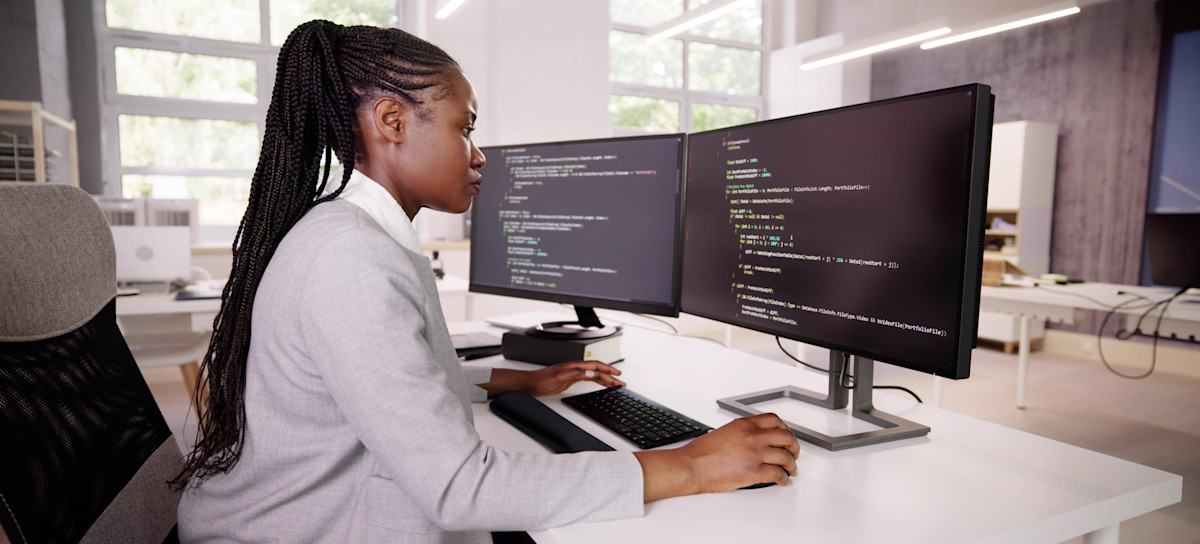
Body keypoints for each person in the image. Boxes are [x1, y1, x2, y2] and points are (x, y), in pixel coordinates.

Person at [174, 20, 800, 544]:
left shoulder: (346, 234)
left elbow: (375, 382)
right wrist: (689, 464)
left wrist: (509, 381)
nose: (479, 155)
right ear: (391, 120)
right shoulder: (349, 260)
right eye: (464, 127)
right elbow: (458, 489)